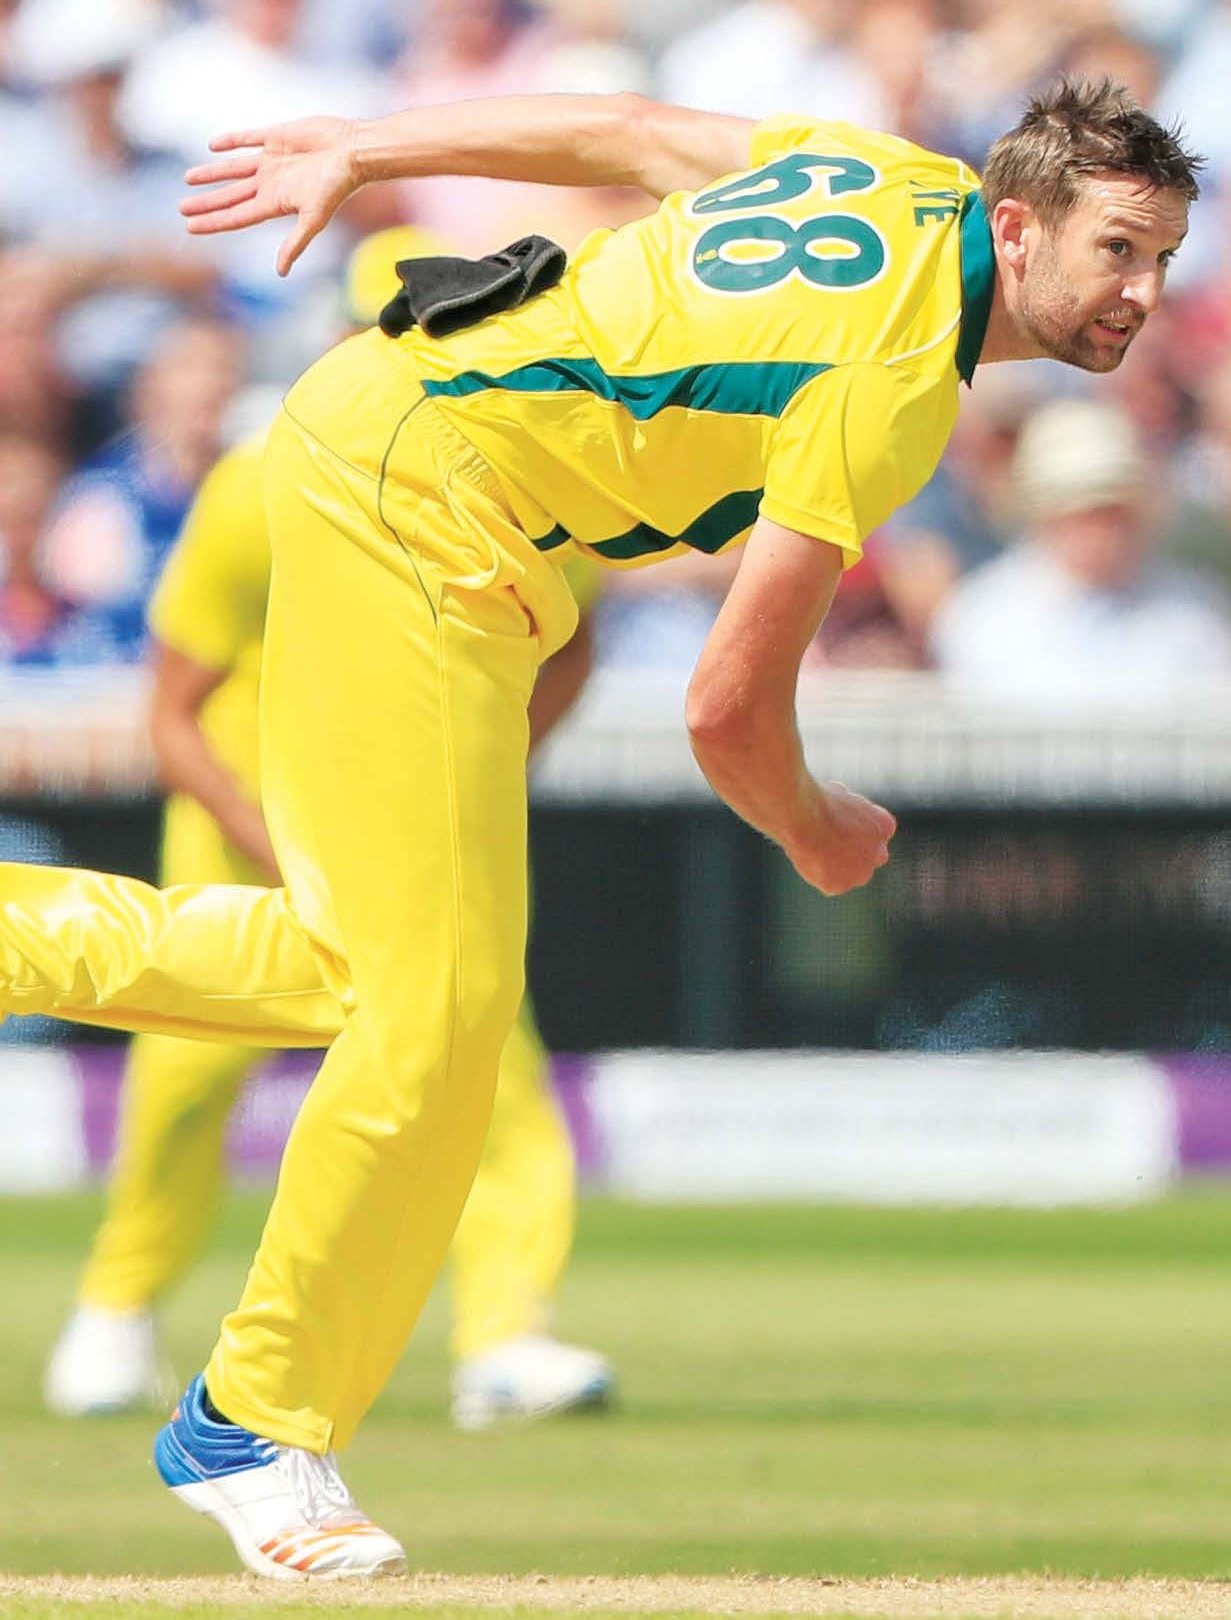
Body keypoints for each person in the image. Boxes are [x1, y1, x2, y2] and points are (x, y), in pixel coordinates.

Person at [0, 78, 1197, 1578]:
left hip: (409, 466)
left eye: (1161, 256)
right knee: (431, 1014)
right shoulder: (894, 378)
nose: (1143, 292)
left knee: (376, 983)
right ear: (1014, 229)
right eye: (1115, 249)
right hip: (423, 501)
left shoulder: (879, 172)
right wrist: (814, 831)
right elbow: (724, 709)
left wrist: (368, 145)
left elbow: (627, 134)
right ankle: (252, 1421)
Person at [44, 231, 613, 1433]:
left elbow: (571, 649)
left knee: (486, 1074)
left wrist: (473, 778)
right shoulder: (257, 487)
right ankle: (116, 1310)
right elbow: (174, 710)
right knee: (186, 1082)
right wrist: (272, 831)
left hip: (414, 845)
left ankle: (506, 1337)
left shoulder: (542, 494)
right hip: (246, 827)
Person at [931, 395, 1231, 698]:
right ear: (1044, 517)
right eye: (1081, 510)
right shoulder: (981, 618)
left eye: (1112, 510)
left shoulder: (1197, 614)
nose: (1100, 530)